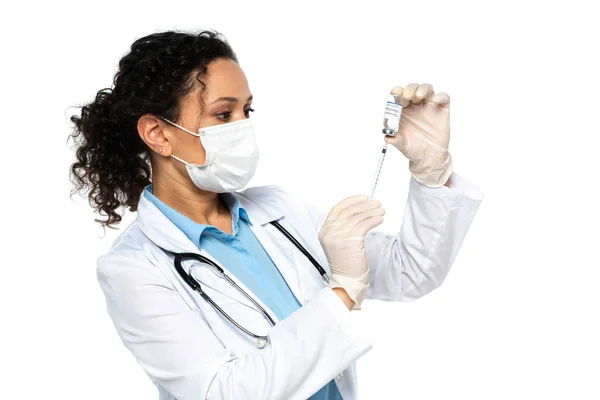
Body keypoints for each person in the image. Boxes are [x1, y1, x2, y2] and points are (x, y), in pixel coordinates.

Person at [69, 29, 483, 400]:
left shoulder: (278, 210)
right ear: (158, 134)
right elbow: (221, 392)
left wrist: (431, 174)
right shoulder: (133, 268)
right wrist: (342, 291)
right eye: (222, 114)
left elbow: (411, 273)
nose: (241, 127)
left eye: (246, 111)